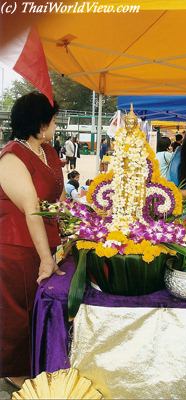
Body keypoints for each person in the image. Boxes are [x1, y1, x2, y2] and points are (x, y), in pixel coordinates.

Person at [0, 92, 65, 388]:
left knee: (37, 308)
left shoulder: (48, 152)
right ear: (40, 123)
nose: (56, 125)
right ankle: (13, 371)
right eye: (53, 120)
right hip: (16, 246)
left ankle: (35, 363)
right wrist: (45, 258)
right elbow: (32, 209)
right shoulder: (12, 156)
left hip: (43, 242)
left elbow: (58, 199)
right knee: (18, 311)